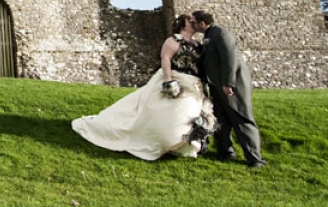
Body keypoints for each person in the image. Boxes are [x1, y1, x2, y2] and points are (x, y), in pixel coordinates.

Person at [72, 14, 215, 160]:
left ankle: (184, 146)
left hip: (193, 85)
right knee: (167, 114)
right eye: (190, 22)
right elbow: (165, 58)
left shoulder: (197, 44)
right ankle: (161, 141)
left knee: (188, 114)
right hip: (178, 79)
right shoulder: (173, 40)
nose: (194, 24)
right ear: (183, 25)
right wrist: (168, 80)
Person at [192, 9, 266, 168]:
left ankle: (255, 158)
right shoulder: (210, 36)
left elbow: (230, 59)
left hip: (232, 86)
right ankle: (226, 152)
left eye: (194, 22)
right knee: (220, 119)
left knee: (241, 119)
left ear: (202, 23)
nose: (192, 25)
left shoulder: (221, 34)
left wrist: (228, 83)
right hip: (217, 86)